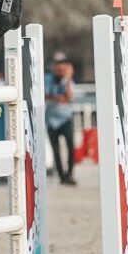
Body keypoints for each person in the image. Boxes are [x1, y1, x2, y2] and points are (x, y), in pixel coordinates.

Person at [45, 57, 77, 185]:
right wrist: (58, 98)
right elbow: (45, 95)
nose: (59, 71)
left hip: (66, 119)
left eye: (62, 69)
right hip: (51, 120)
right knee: (56, 150)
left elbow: (69, 97)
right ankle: (62, 176)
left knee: (71, 147)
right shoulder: (47, 79)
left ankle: (69, 174)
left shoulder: (68, 81)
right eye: (57, 69)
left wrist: (68, 78)